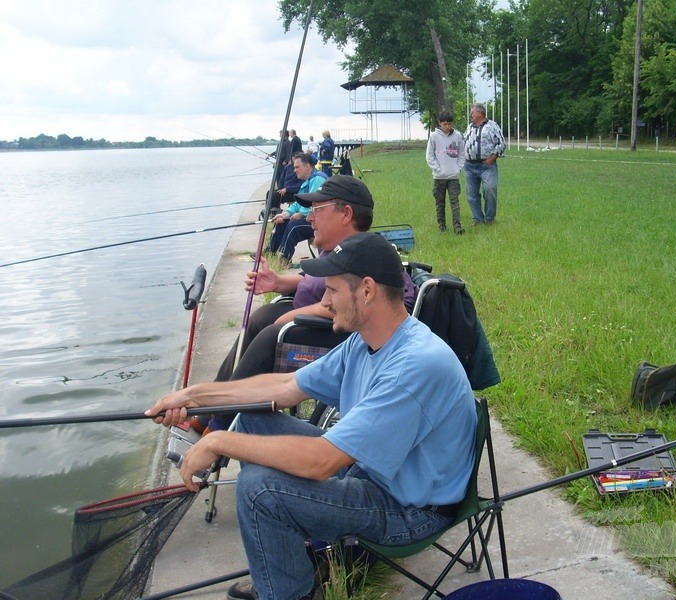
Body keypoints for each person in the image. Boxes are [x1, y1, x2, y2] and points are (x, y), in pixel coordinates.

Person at [147, 232, 477, 600]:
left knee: (261, 490)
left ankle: (292, 591)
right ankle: (285, 569)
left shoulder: (414, 366)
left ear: (366, 291)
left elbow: (322, 463)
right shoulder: (367, 339)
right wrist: (195, 396)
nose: (324, 301)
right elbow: (286, 386)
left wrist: (219, 440)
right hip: (373, 472)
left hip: (409, 510)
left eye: (333, 290)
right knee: (253, 420)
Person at [198, 175, 417, 433]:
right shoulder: (334, 250)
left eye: (317, 210)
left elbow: (344, 303)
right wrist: (278, 282)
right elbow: (315, 281)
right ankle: (208, 411)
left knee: (272, 334)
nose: (309, 217)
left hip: (350, 333)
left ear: (346, 214)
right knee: (262, 318)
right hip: (324, 320)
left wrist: (291, 317)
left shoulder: (361, 255)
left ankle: (219, 423)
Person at [268, 153, 327, 263]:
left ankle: (283, 260)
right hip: (312, 218)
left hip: (321, 222)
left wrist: (301, 214)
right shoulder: (307, 181)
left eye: (297, 167)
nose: (294, 170)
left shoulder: (318, 179)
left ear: (307, 166)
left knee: (294, 227)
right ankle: (269, 253)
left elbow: (312, 202)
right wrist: (285, 214)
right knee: (282, 222)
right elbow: (298, 203)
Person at [463, 103, 505, 225]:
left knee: (490, 189)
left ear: (480, 113)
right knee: (471, 193)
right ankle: (477, 218)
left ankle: (490, 218)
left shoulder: (492, 126)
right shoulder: (470, 127)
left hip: (486, 166)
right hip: (470, 166)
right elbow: (464, 141)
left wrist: (493, 157)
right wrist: (465, 157)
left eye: (472, 112)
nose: (471, 114)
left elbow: (501, 143)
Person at [426, 110, 466, 234]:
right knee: (440, 202)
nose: (447, 127)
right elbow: (429, 156)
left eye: (450, 124)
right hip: (439, 177)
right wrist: (437, 169)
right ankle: (442, 226)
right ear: (440, 123)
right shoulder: (434, 136)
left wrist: (458, 168)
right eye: (445, 124)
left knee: (455, 202)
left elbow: (462, 154)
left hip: (453, 176)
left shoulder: (458, 136)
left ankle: (457, 226)